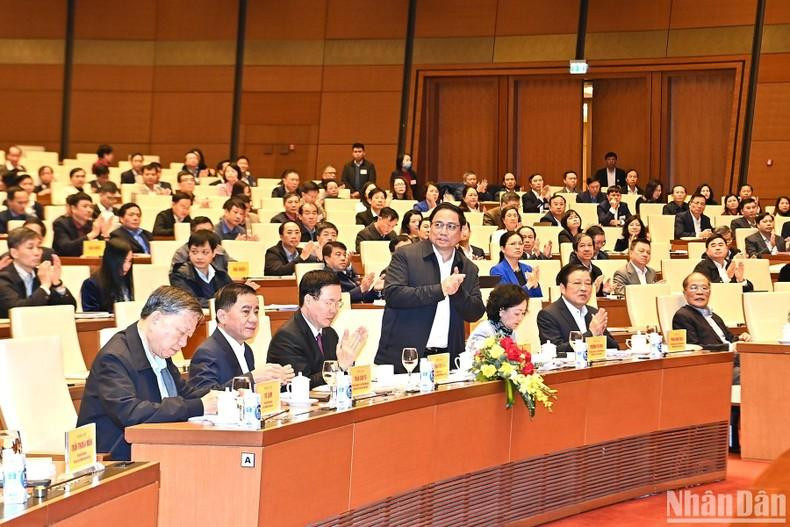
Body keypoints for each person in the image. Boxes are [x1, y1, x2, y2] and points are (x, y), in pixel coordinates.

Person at [77, 286, 217, 460]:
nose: (183, 343)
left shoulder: (158, 349)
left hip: (154, 447)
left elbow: (184, 393)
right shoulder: (115, 357)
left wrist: (222, 397)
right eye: (181, 333)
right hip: (114, 460)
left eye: (188, 336)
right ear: (156, 318)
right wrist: (200, 406)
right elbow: (131, 413)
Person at [375, 203, 485, 371]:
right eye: (438, 225)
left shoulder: (468, 267)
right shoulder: (405, 255)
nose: (443, 231)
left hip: (447, 359)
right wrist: (441, 289)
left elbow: (475, 312)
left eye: (451, 226)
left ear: (462, 231)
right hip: (405, 357)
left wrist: (457, 292)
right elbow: (393, 294)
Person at [267, 270, 368, 388]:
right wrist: (339, 367)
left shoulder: (329, 333)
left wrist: (348, 362)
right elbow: (302, 385)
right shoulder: (287, 338)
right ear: (308, 300)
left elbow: (342, 372)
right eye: (329, 303)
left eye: (338, 303)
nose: (334, 310)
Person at [188, 284, 294, 392]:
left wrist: (271, 382)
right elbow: (205, 397)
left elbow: (248, 394)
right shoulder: (207, 353)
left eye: (256, 312)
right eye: (246, 312)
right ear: (222, 316)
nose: (254, 319)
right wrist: (252, 378)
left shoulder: (246, 350)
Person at [537, 264, 618, 357]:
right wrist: (591, 334)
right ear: (563, 288)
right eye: (577, 283)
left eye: (588, 284)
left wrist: (600, 334)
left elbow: (615, 348)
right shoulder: (548, 314)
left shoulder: (593, 313)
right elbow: (556, 351)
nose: (583, 288)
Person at [0, 227, 77, 317]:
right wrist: (44, 287)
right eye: (30, 247)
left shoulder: (41, 274)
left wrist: (57, 284)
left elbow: (70, 309)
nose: (37, 253)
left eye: (39, 247)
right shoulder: (3, 278)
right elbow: (18, 311)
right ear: (14, 253)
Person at [672, 273, 751, 358]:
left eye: (704, 288)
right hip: (715, 363)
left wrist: (740, 338)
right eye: (693, 288)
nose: (700, 292)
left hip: (735, 359)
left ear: (709, 292)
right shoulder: (682, 316)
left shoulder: (714, 316)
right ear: (685, 293)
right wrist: (730, 348)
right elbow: (693, 348)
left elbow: (729, 339)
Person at [170, 230, 232, 307]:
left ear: (214, 253)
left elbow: (231, 297)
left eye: (205, 252)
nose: (199, 257)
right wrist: (219, 303)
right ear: (189, 252)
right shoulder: (179, 274)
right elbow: (190, 301)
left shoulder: (221, 274)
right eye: (194, 252)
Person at [465, 285, 529, 354]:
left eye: (523, 313)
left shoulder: (510, 332)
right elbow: (475, 360)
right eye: (517, 313)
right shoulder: (485, 331)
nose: (520, 318)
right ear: (501, 310)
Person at [80, 238, 134, 312]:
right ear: (111, 261)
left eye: (130, 261)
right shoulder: (91, 284)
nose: (127, 266)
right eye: (123, 261)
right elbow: (91, 316)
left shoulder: (130, 280)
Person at [53, 192, 111, 257]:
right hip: (68, 264)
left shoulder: (93, 224)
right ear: (73, 209)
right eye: (85, 206)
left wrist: (105, 234)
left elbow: (105, 251)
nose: (89, 210)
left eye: (91, 207)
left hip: (91, 263)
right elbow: (65, 248)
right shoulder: (61, 224)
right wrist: (91, 234)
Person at [490, 231, 542, 298]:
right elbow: (506, 298)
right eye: (513, 244)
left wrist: (535, 285)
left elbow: (538, 297)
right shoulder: (497, 271)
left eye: (520, 244)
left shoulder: (527, 268)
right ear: (503, 249)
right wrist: (528, 285)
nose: (518, 247)